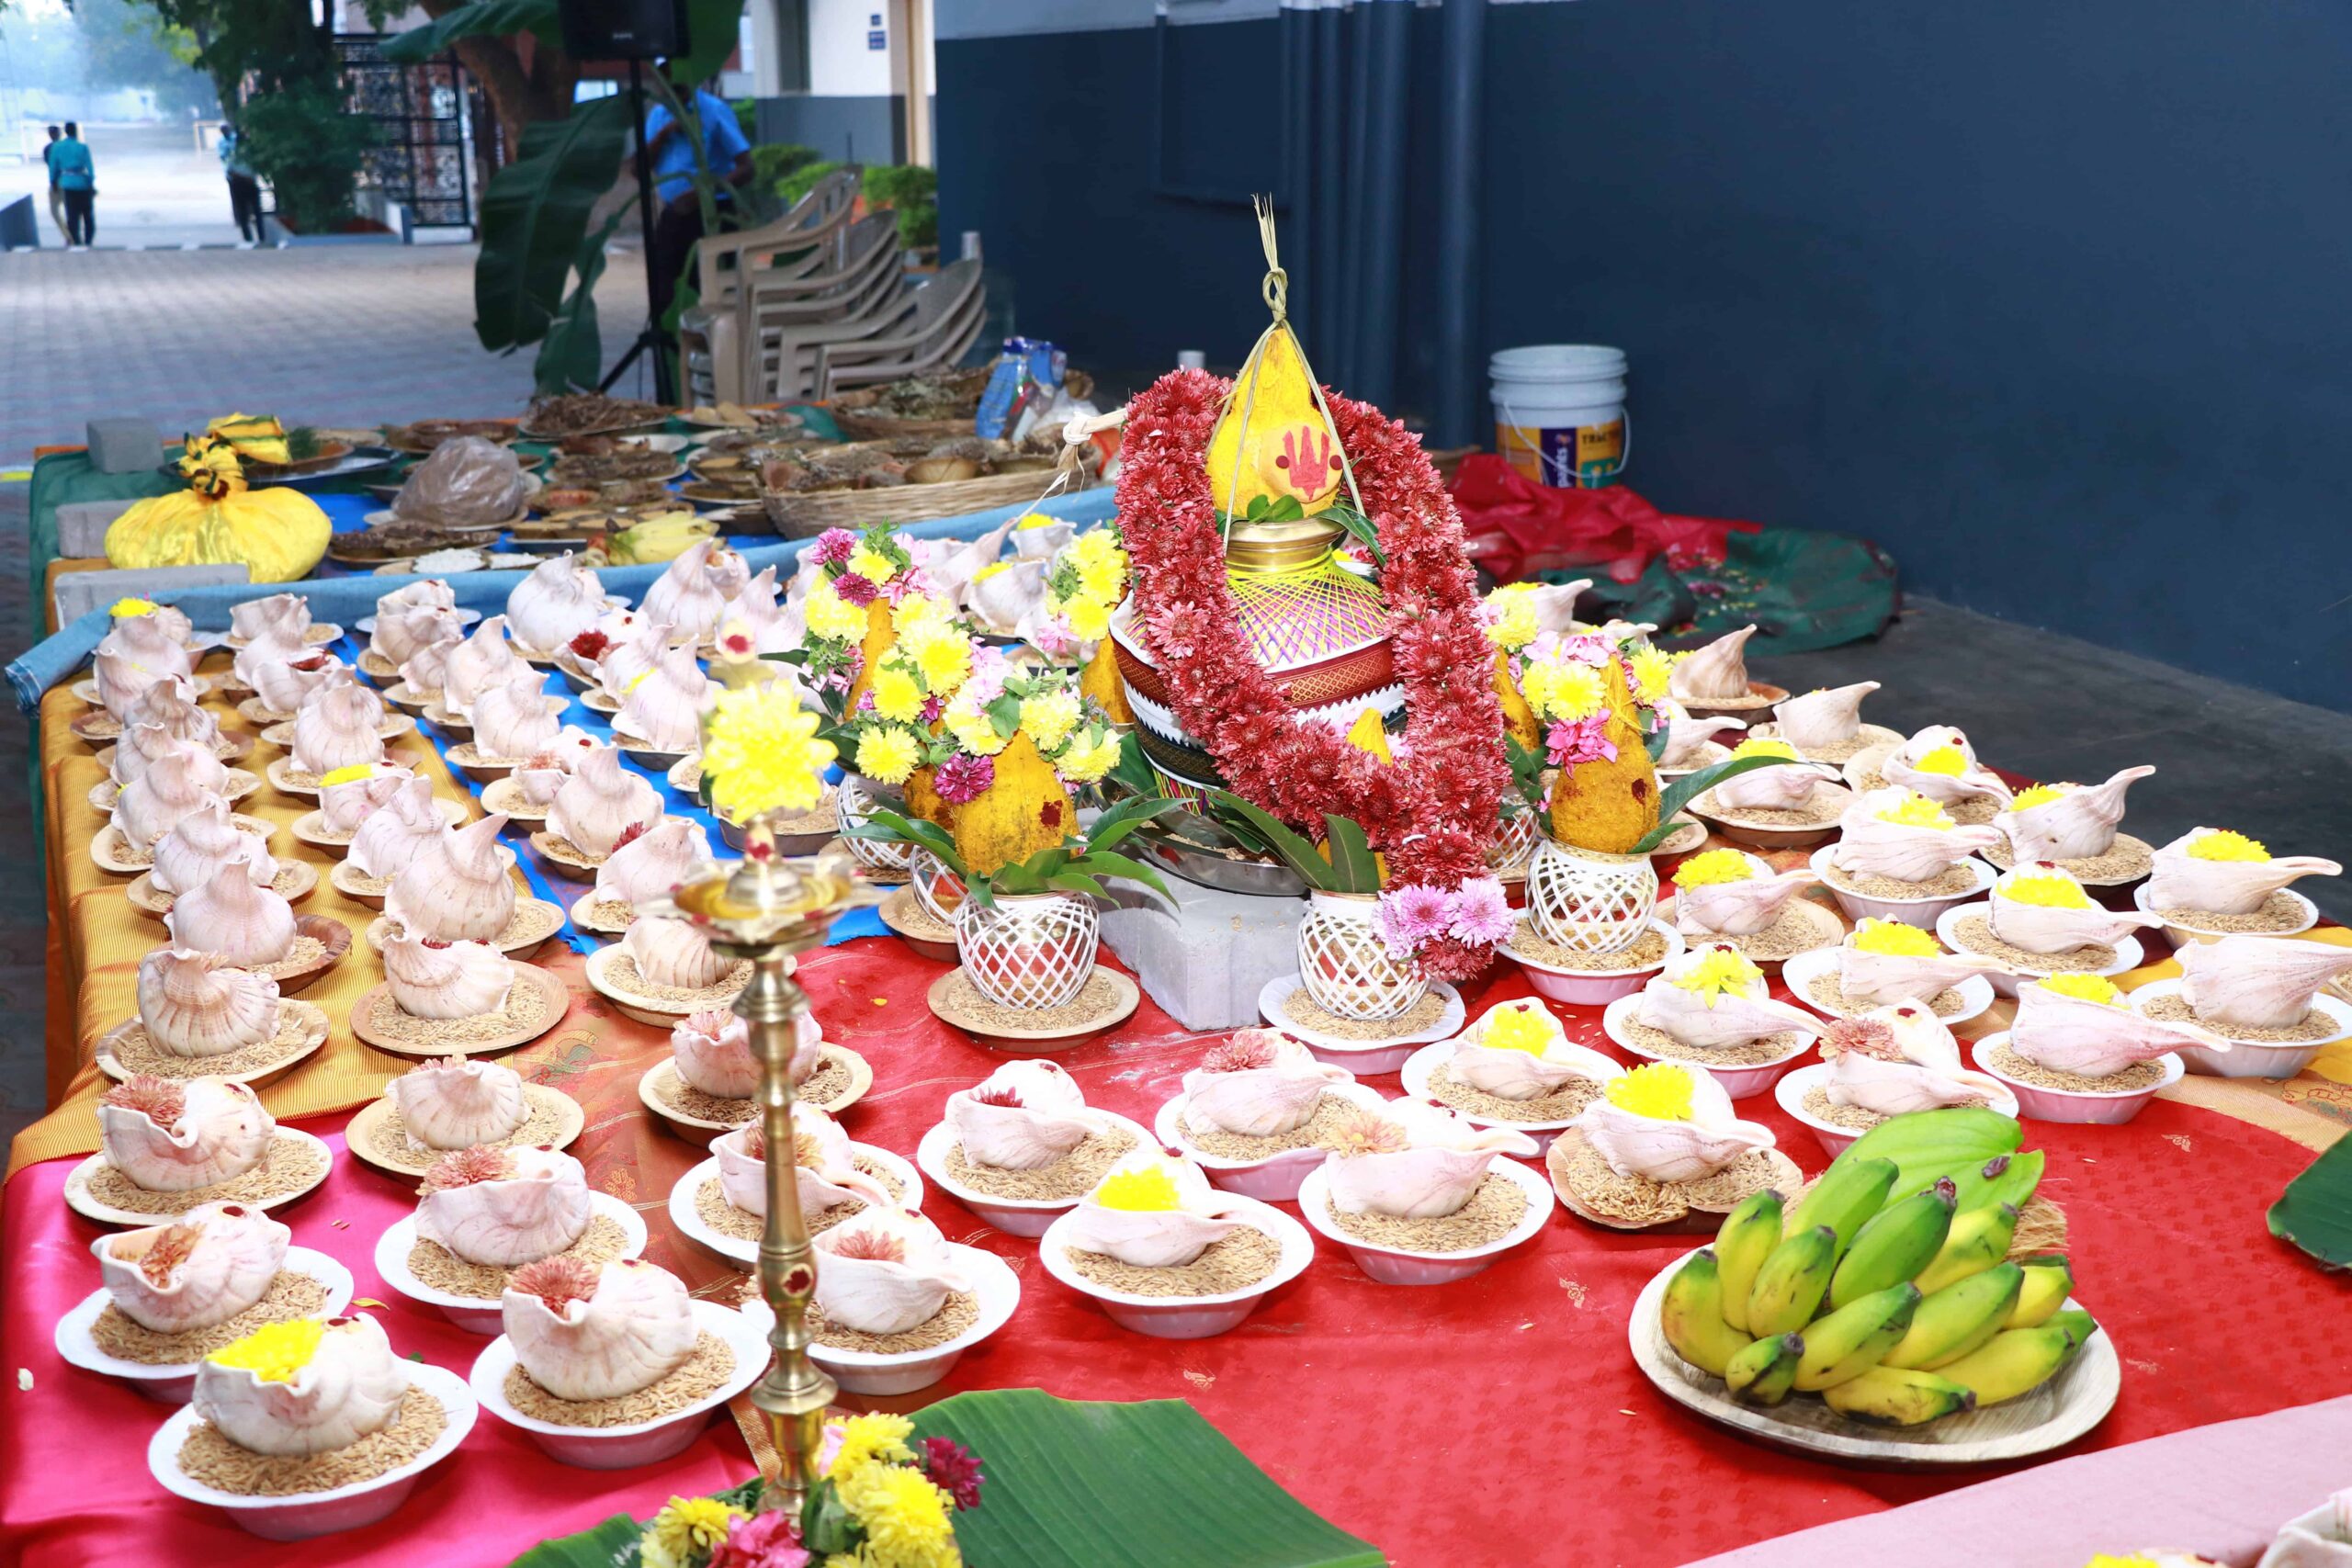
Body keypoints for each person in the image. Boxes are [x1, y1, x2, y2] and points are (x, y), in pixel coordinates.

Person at [641, 85, 752, 327]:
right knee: (664, 285)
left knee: (709, 286)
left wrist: (703, 192)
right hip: (673, 213)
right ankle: (671, 341)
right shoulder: (658, 115)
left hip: (713, 214)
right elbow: (638, 168)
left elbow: (746, 168)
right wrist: (664, 134)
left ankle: (716, 342)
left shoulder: (713, 110)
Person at [51, 122, 95, 249]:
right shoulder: (82, 147)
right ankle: (88, 241)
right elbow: (90, 168)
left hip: (67, 183)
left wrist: (53, 182)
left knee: (72, 215)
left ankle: (76, 241)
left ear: (65, 131)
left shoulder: (58, 147)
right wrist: (91, 183)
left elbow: (53, 167)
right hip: (83, 183)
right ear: (75, 131)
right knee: (87, 215)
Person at [219, 124, 262, 248]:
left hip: (245, 184)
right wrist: (245, 178)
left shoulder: (244, 154)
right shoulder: (235, 153)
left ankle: (256, 236)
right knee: (248, 212)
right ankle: (251, 237)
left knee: (252, 212)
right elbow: (229, 169)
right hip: (242, 184)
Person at [40, 125, 68, 244]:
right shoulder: (64, 147)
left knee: (54, 211)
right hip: (66, 182)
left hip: (57, 182)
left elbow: (51, 166)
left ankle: (68, 235)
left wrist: (53, 181)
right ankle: (70, 235)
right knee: (68, 212)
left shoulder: (48, 149)